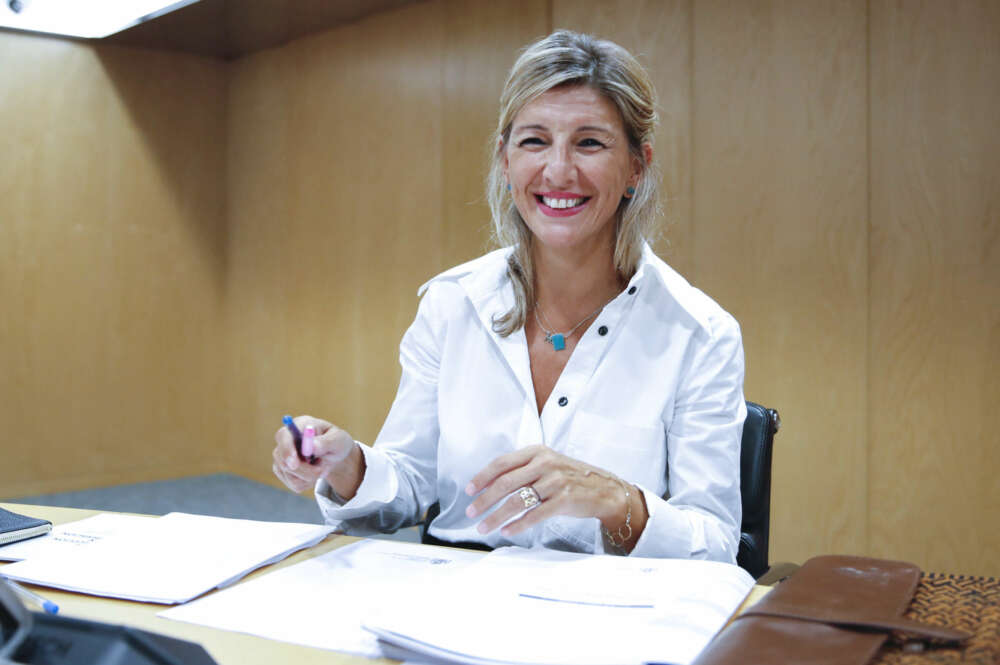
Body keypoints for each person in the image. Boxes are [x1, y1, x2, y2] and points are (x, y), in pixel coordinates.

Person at [272, 30, 746, 561]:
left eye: (590, 142)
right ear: (505, 161)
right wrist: (346, 465)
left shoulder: (699, 333)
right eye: (535, 141)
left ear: (636, 167)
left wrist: (616, 500)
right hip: (455, 605)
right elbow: (407, 485)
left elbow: (715, 546)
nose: (559, 170)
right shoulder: (451, 305)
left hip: (605, 618)